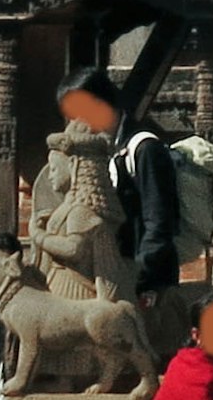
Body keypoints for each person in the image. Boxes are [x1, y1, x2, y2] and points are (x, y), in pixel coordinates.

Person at [55, 65, 182, 300]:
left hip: (146, 282)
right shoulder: (104, 150)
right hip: (114, 277)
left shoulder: (145, 149)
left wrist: (141, 276)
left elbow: (159, 222)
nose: (74, 124)